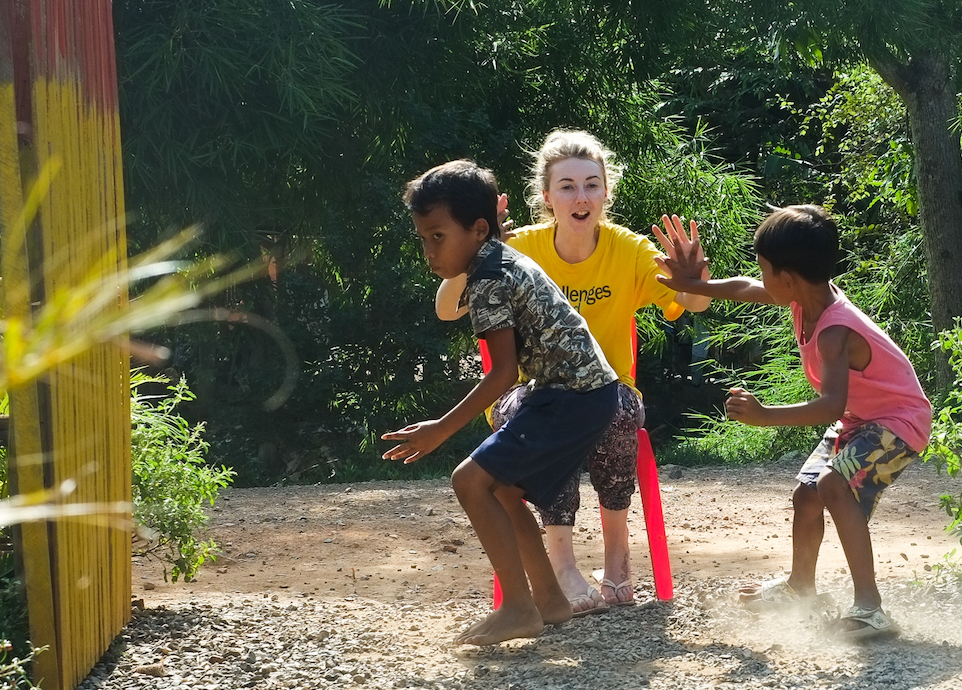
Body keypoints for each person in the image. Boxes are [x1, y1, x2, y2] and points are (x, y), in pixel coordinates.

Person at [653, 205, 931, 641]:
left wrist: (765, 417)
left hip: (898, 423)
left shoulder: (836, 330)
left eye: (765, 270)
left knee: (832, 486)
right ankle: (801, 587)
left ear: (787, 279)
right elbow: (745, 289)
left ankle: (871, 608)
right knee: (807, 493)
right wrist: (693, 285)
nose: (759, 278)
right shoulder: (805, 296)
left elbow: (830, 405)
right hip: (863, 419)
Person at [382, 160, 623, 644]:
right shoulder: (494, 258)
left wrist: (440, 429)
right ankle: (550, 602)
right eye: (423, 238)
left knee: (469, 481)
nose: (429, 251)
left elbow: (502, 374)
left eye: (437, 237)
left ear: (477, 229)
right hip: (583, 393)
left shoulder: (489, 276)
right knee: (504, 492)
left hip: (572, 396)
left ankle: (518, 608)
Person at [486, 130, 711, 615]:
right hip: (532, 390)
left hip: (610, 391)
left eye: (592, 184)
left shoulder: (627, 250)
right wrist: (486, 252)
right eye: (567, 186)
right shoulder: (517, 249)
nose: (581, 196)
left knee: (608, 407)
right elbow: (460, 304)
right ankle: (563, 565)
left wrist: (694, 280)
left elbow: (690, 303)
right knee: (549, 414)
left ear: (606, 192)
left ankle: (616, 553)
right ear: (546, 197)